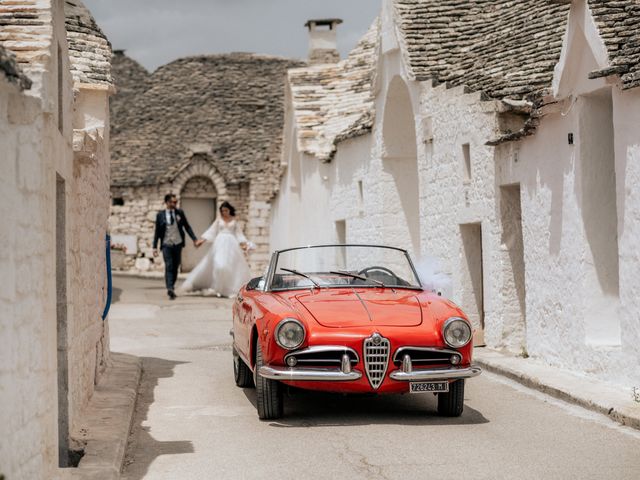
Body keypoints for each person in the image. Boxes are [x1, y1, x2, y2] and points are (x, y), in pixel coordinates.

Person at [180, 201, 252, 297]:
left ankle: (225, 289)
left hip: (231, 245)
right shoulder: (219, 220)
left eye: (226, 210)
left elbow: (239, 234)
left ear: (229, 210)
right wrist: (201, 241)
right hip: (219, 244)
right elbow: (211, 231)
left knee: (229, 267)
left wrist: (244, 244)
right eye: (222, 211)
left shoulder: (234, 221)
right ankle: (217, 287)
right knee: (219, 265)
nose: (224, 212)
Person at [153, 193, 204, 299]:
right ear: (167, 202)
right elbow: (157, 232)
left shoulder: (180, 213)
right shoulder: (160, 215)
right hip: (166, 244)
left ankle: (171, 285)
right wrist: (154, 247)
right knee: (169, 265)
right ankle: (170, 288)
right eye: (173, 202)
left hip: (178, 243)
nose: (175, 204)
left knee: (176, 266)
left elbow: (187, 227)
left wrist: (194, 239)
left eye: (176, 202)